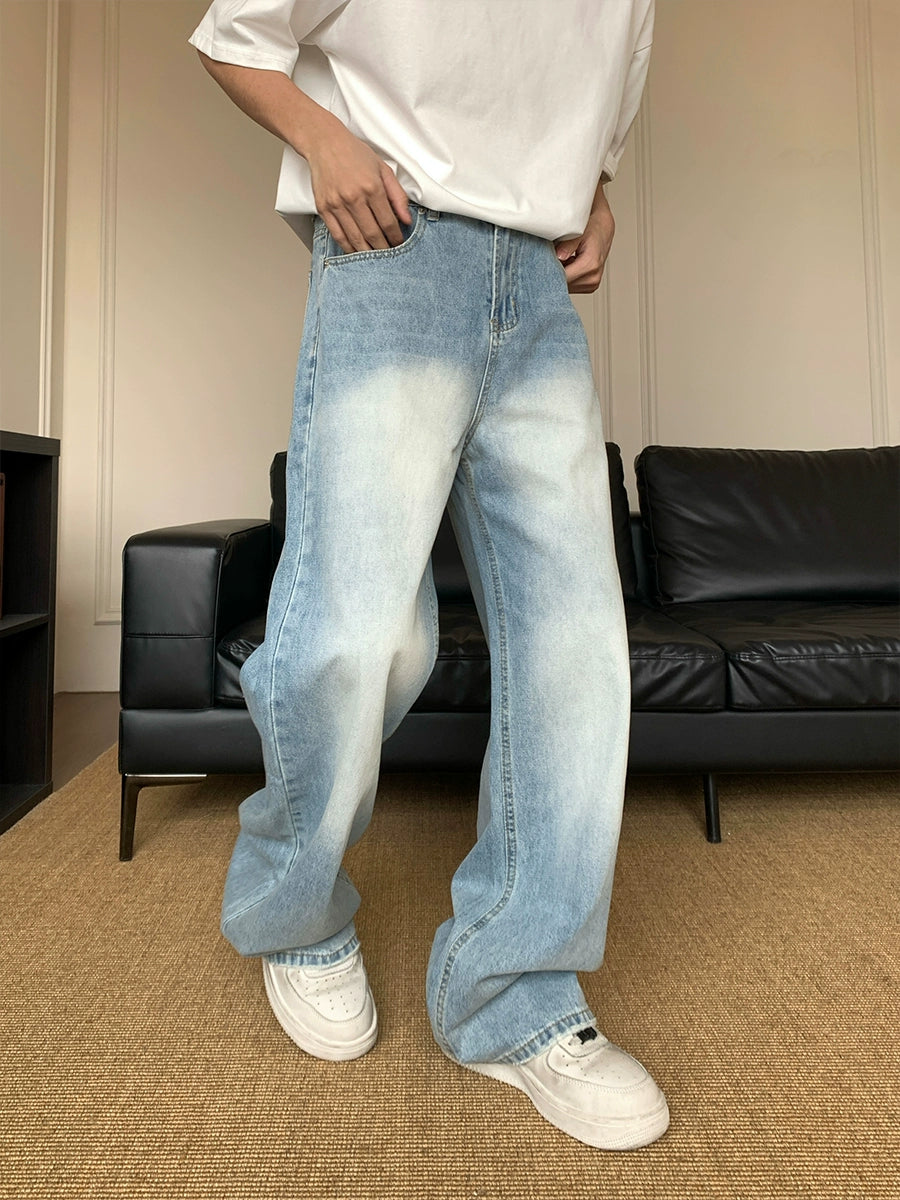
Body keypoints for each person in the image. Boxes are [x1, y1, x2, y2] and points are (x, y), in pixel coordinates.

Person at [188, 0, 668, 1152]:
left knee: (578, 654)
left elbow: (592, 106)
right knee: (358, 637)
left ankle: (514, 993)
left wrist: (595, 192)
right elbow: (234, 35)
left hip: (539, 285)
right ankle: (294, 911)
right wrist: (325, 140)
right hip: (396, 250)